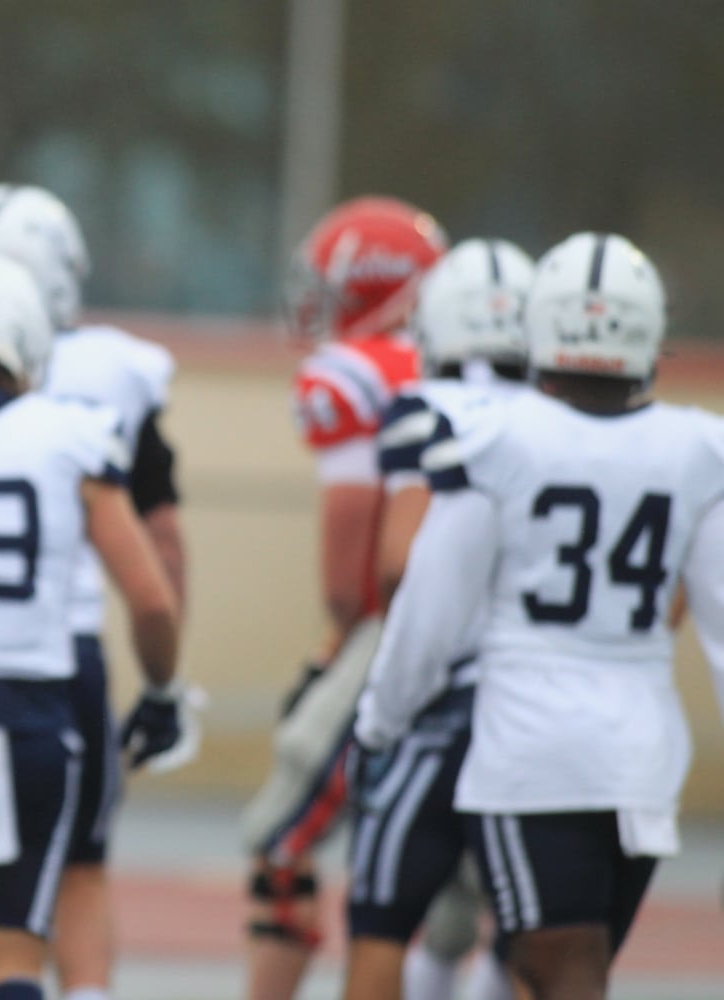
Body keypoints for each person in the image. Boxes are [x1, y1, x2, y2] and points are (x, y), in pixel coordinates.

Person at [356, 231, 724, 1000]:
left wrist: (380, 720)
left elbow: (429, 608)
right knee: (564, 969)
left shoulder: (496, 442)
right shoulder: (699, 448)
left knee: (562, 972)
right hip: (642, 752)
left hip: (532, 747)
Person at [0, 254, 184, 1000]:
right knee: (8, 946)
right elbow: (153, 600)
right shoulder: (68, 432)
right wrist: (162, 689)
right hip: (21, 707)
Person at [240, 196, 446, 1000]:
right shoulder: (451, 363)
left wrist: (337, 640)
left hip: (395, 633)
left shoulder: (355, 373)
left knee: (279, 841)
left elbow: (352, 539)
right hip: (498, 641)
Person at [342, 238, 535, 1000]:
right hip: (543, 706)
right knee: (535, 931)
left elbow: (401, 561)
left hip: (445, 697)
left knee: (381, 915)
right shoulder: (561, 419)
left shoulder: (426, 409)